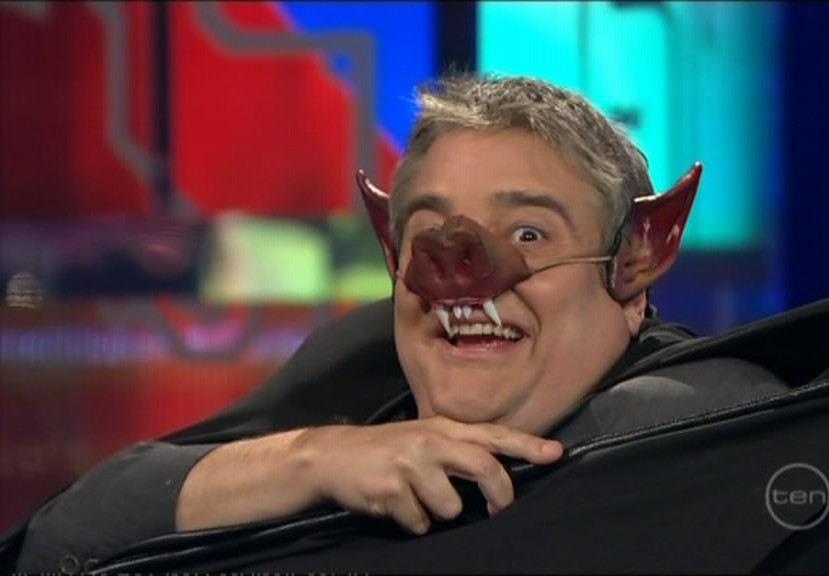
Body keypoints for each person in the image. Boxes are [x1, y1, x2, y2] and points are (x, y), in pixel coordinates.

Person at [8, 74, 789, 573]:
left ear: (635, 264)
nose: (458, 273)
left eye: (528, 233)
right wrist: (316, 461)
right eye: (429, 235)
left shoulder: (710, 424)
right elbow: (59, 540)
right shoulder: (363, 357)